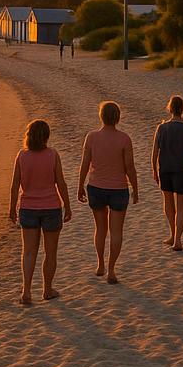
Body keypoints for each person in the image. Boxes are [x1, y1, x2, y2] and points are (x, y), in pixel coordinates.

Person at [9, 120, 72, 305]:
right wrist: (67, 206)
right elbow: (61, 183)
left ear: (28, 136)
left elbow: (14, 187)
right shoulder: (53, 155)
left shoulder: (22, 156)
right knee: (50, 252)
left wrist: (12, 209)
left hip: (28, 208)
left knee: (28, 252)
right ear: (46, 136)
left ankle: (26, 291)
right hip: (51, 207)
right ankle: (47, 289)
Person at [77, 102, 138, 283]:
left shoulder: (91, 137)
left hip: (96, 188)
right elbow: (129, 167)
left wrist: (80, 184)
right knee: (116, 231)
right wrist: (135, 187)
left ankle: (100, 264)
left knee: (100, 229)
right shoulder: (124, 139)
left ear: (101, 116)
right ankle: (111, 270)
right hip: (118, 189)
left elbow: (85, 164)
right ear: (117, 117)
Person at [151, 95, 183, 251]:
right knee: (181, 208)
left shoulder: (161, 128)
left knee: (168, 204)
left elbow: (154, 152)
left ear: (170, 109)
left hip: (166, 169)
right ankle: (177, 239)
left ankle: (174, 235)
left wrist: (154, 169)